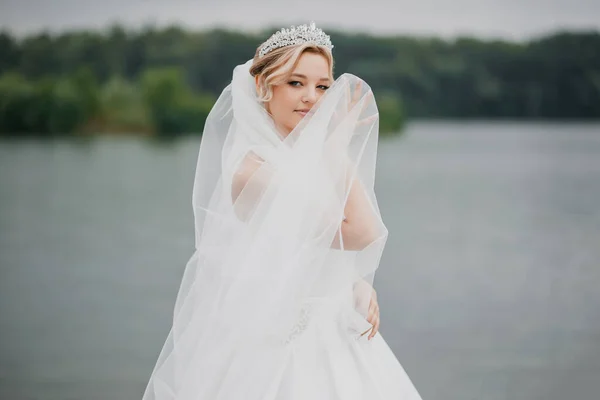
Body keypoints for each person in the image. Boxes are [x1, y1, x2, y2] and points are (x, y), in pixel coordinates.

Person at [142, 22, 423, 400]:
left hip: (339, 334)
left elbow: (308, 248)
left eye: (322, 86)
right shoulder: (253, 172)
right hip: (283, 353)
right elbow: (362, 231)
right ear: (263, 87)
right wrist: (336, 145)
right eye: (296, 83)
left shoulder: (310, 162)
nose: (312, 97)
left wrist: (354, 282)